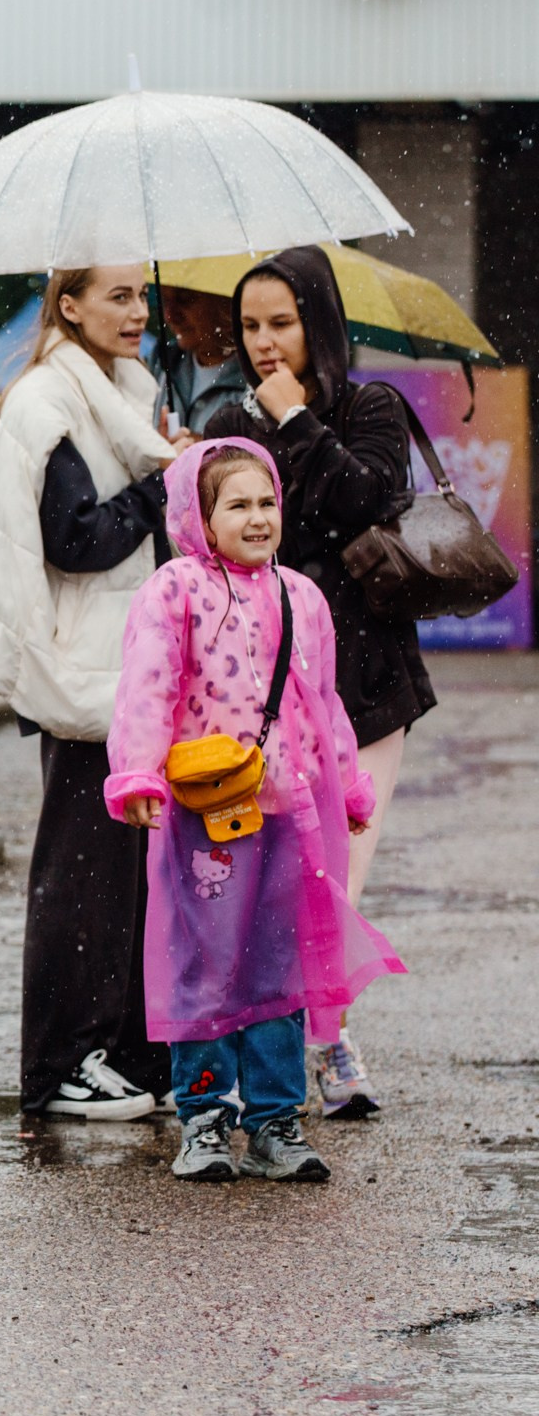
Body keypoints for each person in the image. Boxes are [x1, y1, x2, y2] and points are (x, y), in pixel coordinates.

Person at [105, 439, 404, 1181]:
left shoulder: (301, 595)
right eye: (237, 505)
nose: (258, 517)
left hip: (286, 816)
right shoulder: (174, 591)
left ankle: (275, 1122)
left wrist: (350, 786)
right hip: (201, 816)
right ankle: (204, 1117)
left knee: (279, 967)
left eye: (267, 501)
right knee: (204, 963)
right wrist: (138, 775)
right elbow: (149, 686)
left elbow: (323, 701)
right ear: (199, 517)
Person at [0, 265, 186, 1121]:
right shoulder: (49, 401)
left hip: (131, 667)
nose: (137, 312)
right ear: (69, 306)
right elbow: (77, 540)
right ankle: (57, 1066)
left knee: (131, 875)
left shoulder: (125, 390)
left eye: (139, 296)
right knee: (81, 875)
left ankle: (126, 1051)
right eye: (116, 297)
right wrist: (168, 482)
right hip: (84, 670)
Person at [203, 245, 434, 1119]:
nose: (264, 343)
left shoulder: (370, 406)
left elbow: (369, 498)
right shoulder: (232, 418)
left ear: (318, 324)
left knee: (341, 875)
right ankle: (273, 1047)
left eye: (281, 324)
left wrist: (298, 422)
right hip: (264, 691)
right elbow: (223, 541)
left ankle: (327, 1040)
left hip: (369, 682)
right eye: (250, 327)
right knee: (274, 872)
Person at [156, 282, 251, 434]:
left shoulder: (256, 379)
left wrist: (203, 450)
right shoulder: (159, 363)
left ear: (226, 303)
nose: (170, 315)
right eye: (165, 300)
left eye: (185, 299)